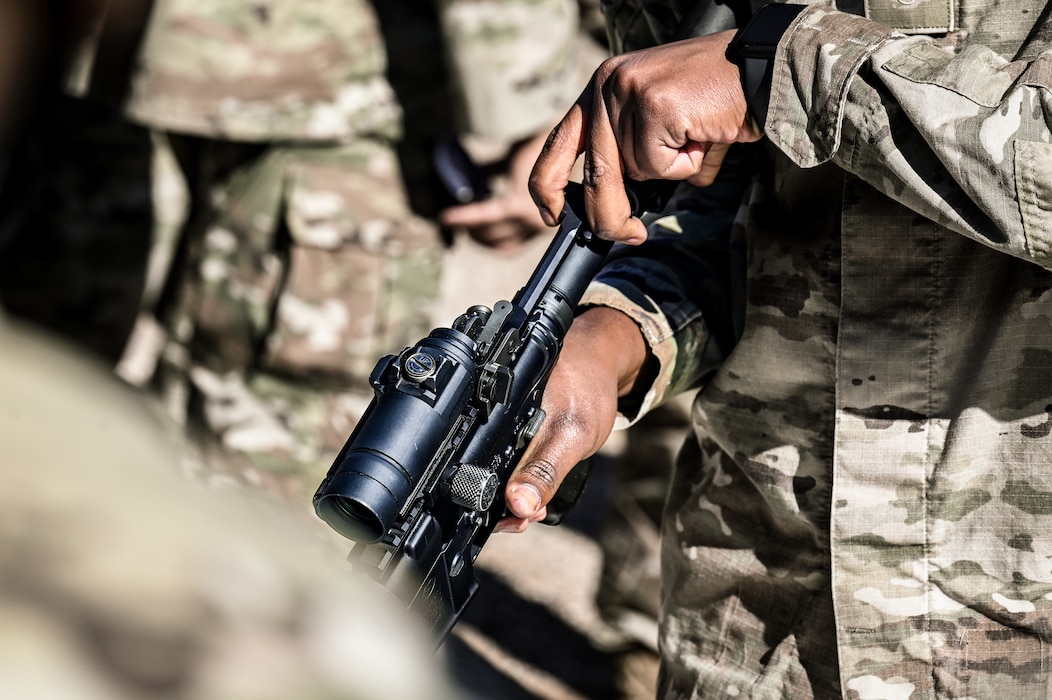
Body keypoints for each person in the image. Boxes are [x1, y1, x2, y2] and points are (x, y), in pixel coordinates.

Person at [498, 0, 1052, 696]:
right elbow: (715, 200)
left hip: (1017, 637)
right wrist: (612, 338)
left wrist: (789, 68)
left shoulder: (782, 61)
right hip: (752, 628)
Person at [110, 0, 586, 510]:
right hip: (338, 100)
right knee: (286, 440)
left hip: (149, 59)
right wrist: (530, 112)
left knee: (102, 376)